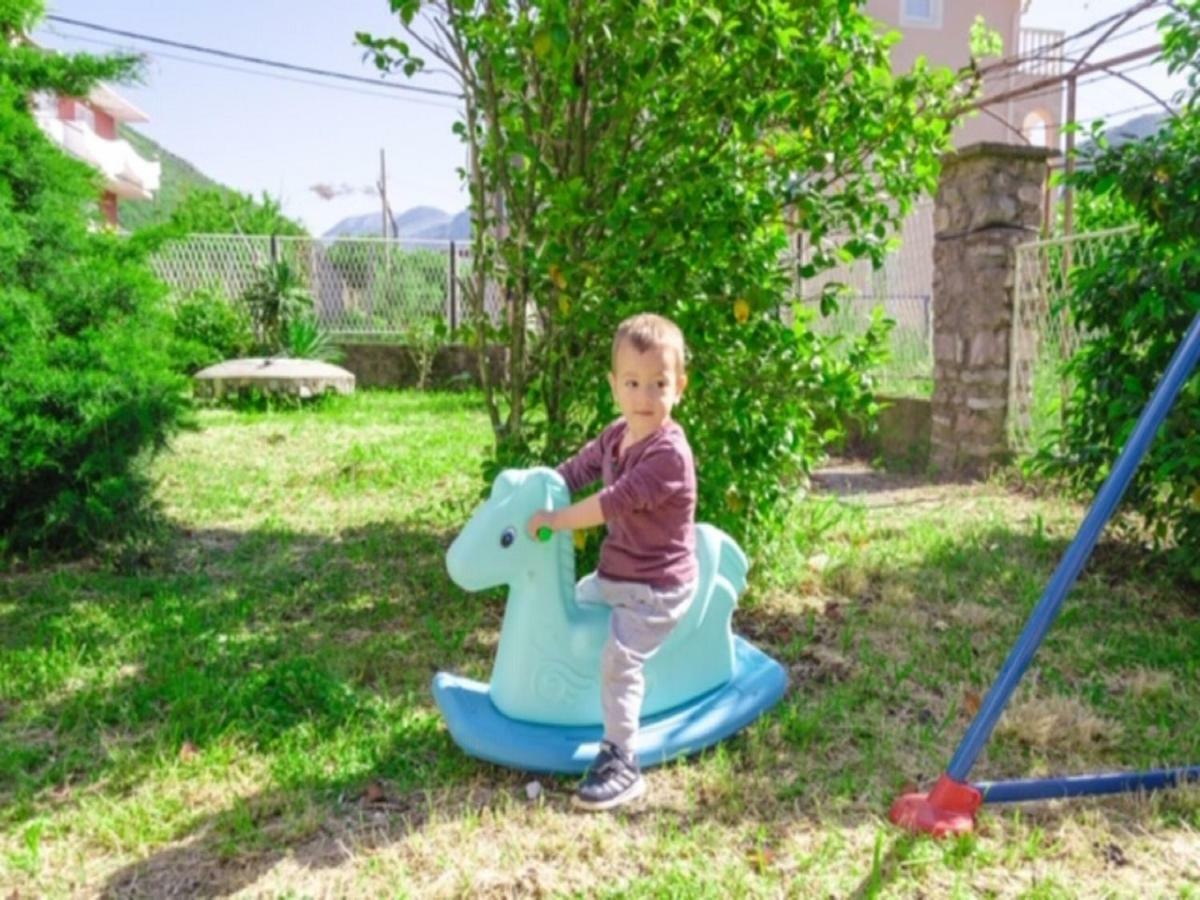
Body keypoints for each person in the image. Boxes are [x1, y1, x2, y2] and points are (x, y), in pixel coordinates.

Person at [527, 312, 697, 811]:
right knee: (570, 607)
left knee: (620, 659)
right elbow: (573, 471)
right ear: (614, 387)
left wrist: (555, 519)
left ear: (679, 387)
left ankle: (623, 758)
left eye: (659, 383)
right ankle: (565, 692)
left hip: (656, 589)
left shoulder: (669, 456)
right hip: (616, 575)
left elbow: (610, 502)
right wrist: (535, 488)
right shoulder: (614, 435)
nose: (645, 397)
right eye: (633, 382)